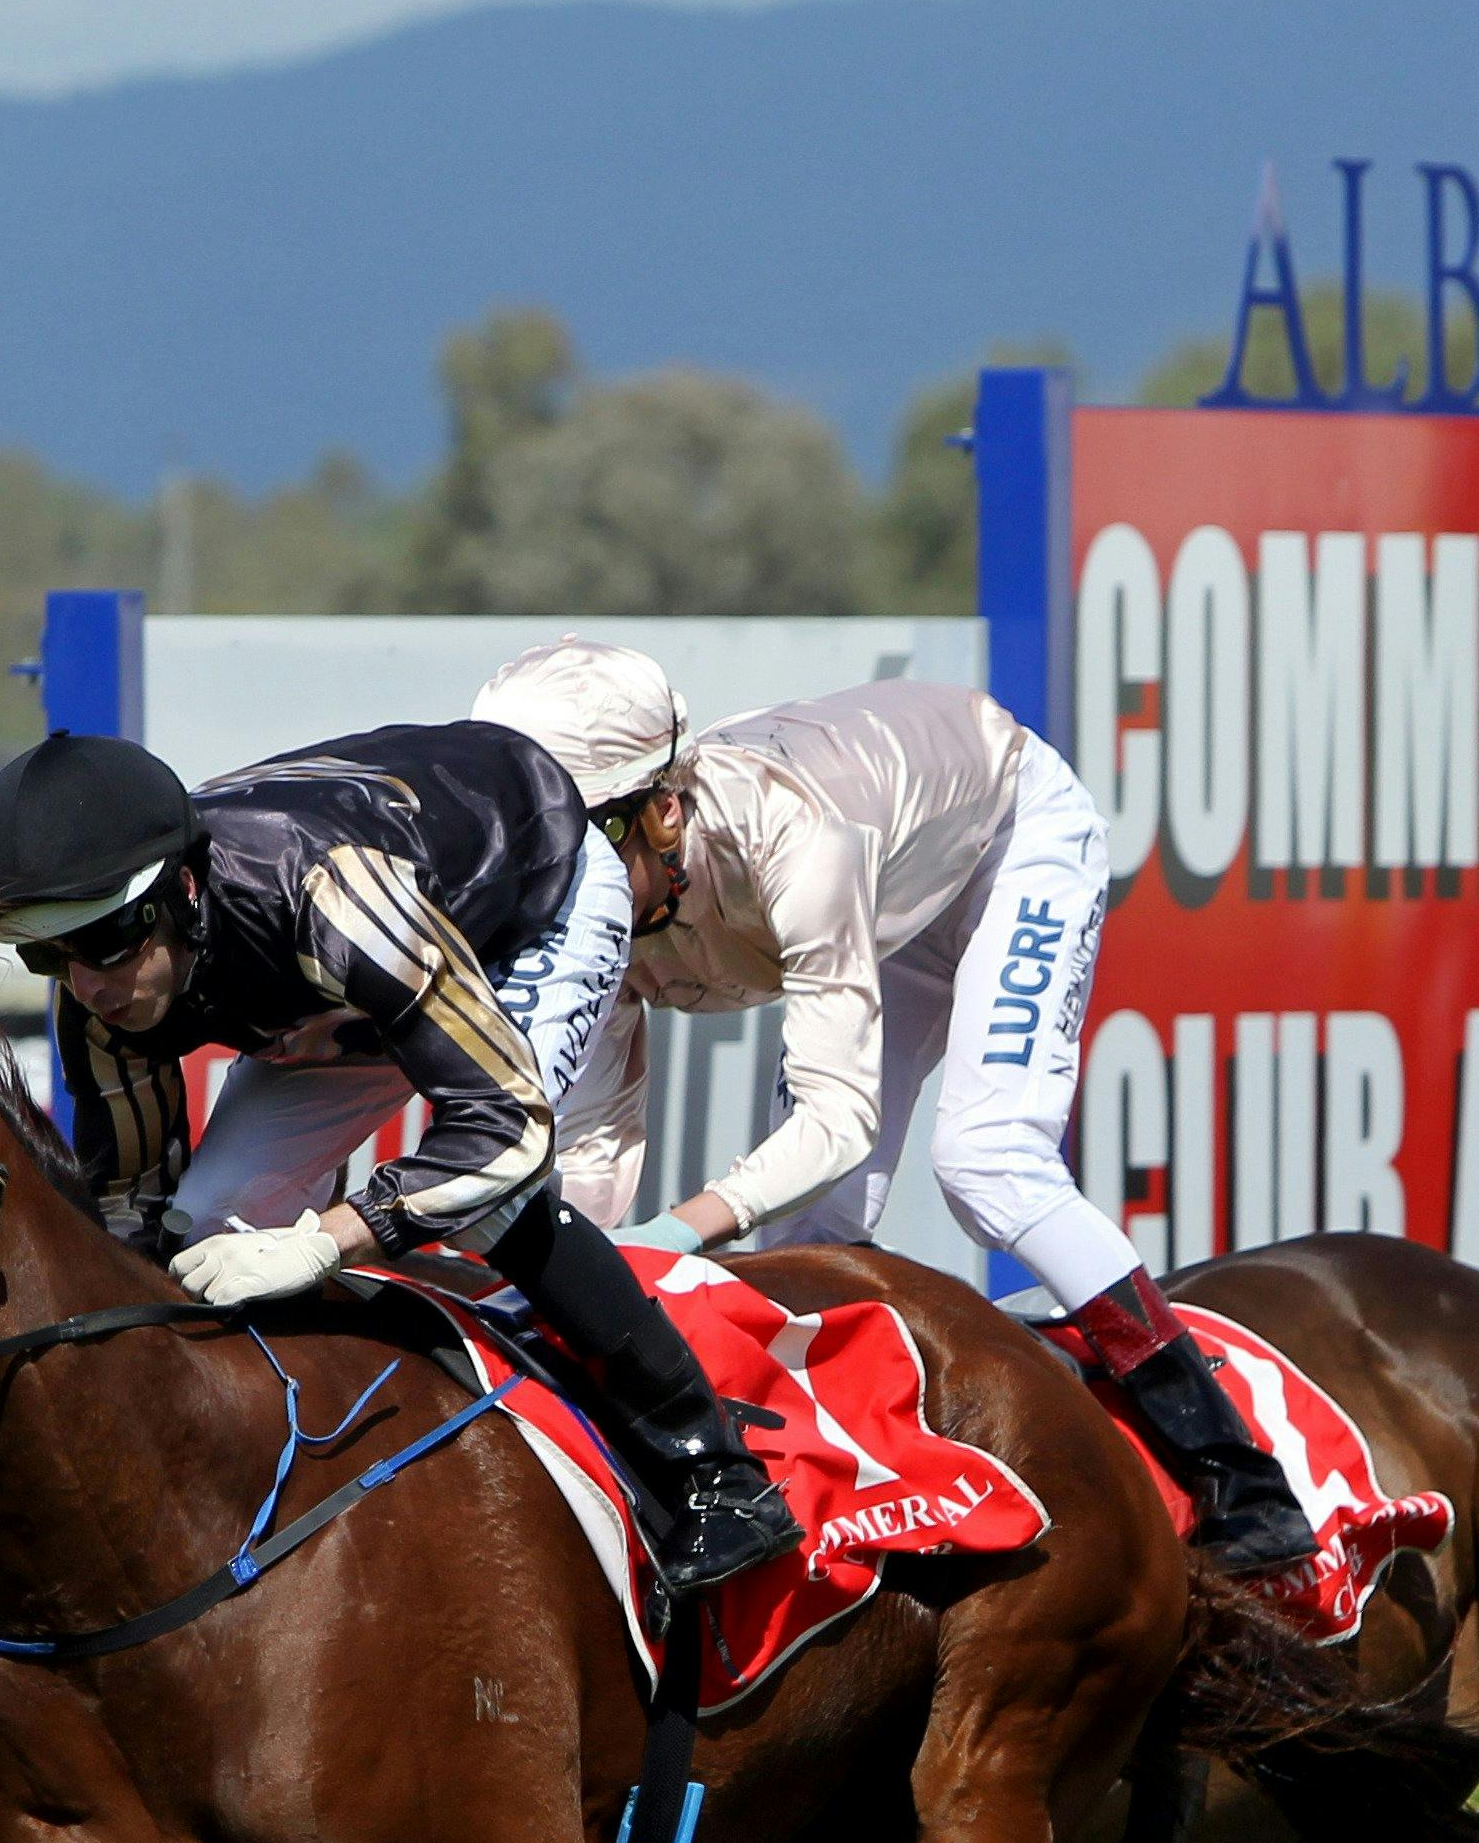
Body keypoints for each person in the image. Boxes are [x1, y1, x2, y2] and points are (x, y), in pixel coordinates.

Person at [467, 638, 1319, 1574]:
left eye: (580, 839)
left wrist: (678, 1232)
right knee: (819, 1225)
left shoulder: (795, 838)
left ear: (665, 812)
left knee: (989, 1161)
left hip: (1004, 837)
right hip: (886, 885)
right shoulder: (590, 899)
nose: (552, 877)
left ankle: (1243, 1479)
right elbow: (591, 1158)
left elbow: (837, 1122)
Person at [0, 724, 801, 1594]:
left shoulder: (330, 900)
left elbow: (504, 1130)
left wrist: (328, 1238)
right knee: (205, 1220)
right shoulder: (100, 999)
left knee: (487, 1199)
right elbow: (132, 1218)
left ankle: (715, 1473)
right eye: (47, 955)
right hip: (356, 976)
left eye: (109, 944)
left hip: (521, 907)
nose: (90, 985)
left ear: (179, 888)